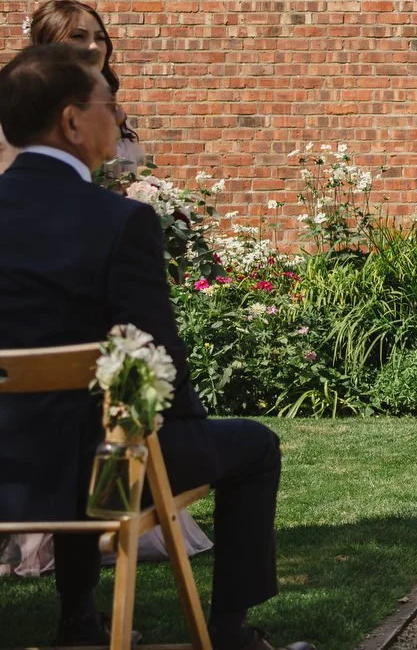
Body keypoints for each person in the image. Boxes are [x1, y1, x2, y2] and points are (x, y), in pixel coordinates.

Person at [0, 44, 312, 650]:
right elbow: (156, 361)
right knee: (251, 446)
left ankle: (80, 624)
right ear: (71, 121)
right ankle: (228, 634)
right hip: (100, 482)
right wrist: (184, 441)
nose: (119, 120)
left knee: (79, 428)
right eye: (109, 106)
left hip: (7, 474)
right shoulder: (117, 221)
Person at [2, 0, 144, 177]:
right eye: (78, 36)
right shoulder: (17, 114)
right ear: (48, 43)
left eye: (100, 38)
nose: (94, 47)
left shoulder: (113, 115)